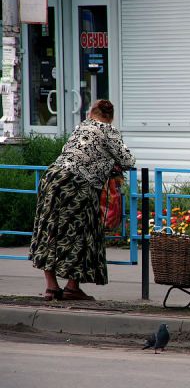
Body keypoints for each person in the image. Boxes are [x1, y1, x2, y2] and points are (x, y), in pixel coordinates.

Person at [30, 99, 135, 301]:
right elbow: (128, 160)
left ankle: (51, 287)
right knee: (80, 233)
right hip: (77, 185)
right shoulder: (108, 131)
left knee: (49, 230)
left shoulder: (81, 127)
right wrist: (111, 162)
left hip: (52, 178)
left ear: (90, 113)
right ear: (110, 116)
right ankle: (72, 287)